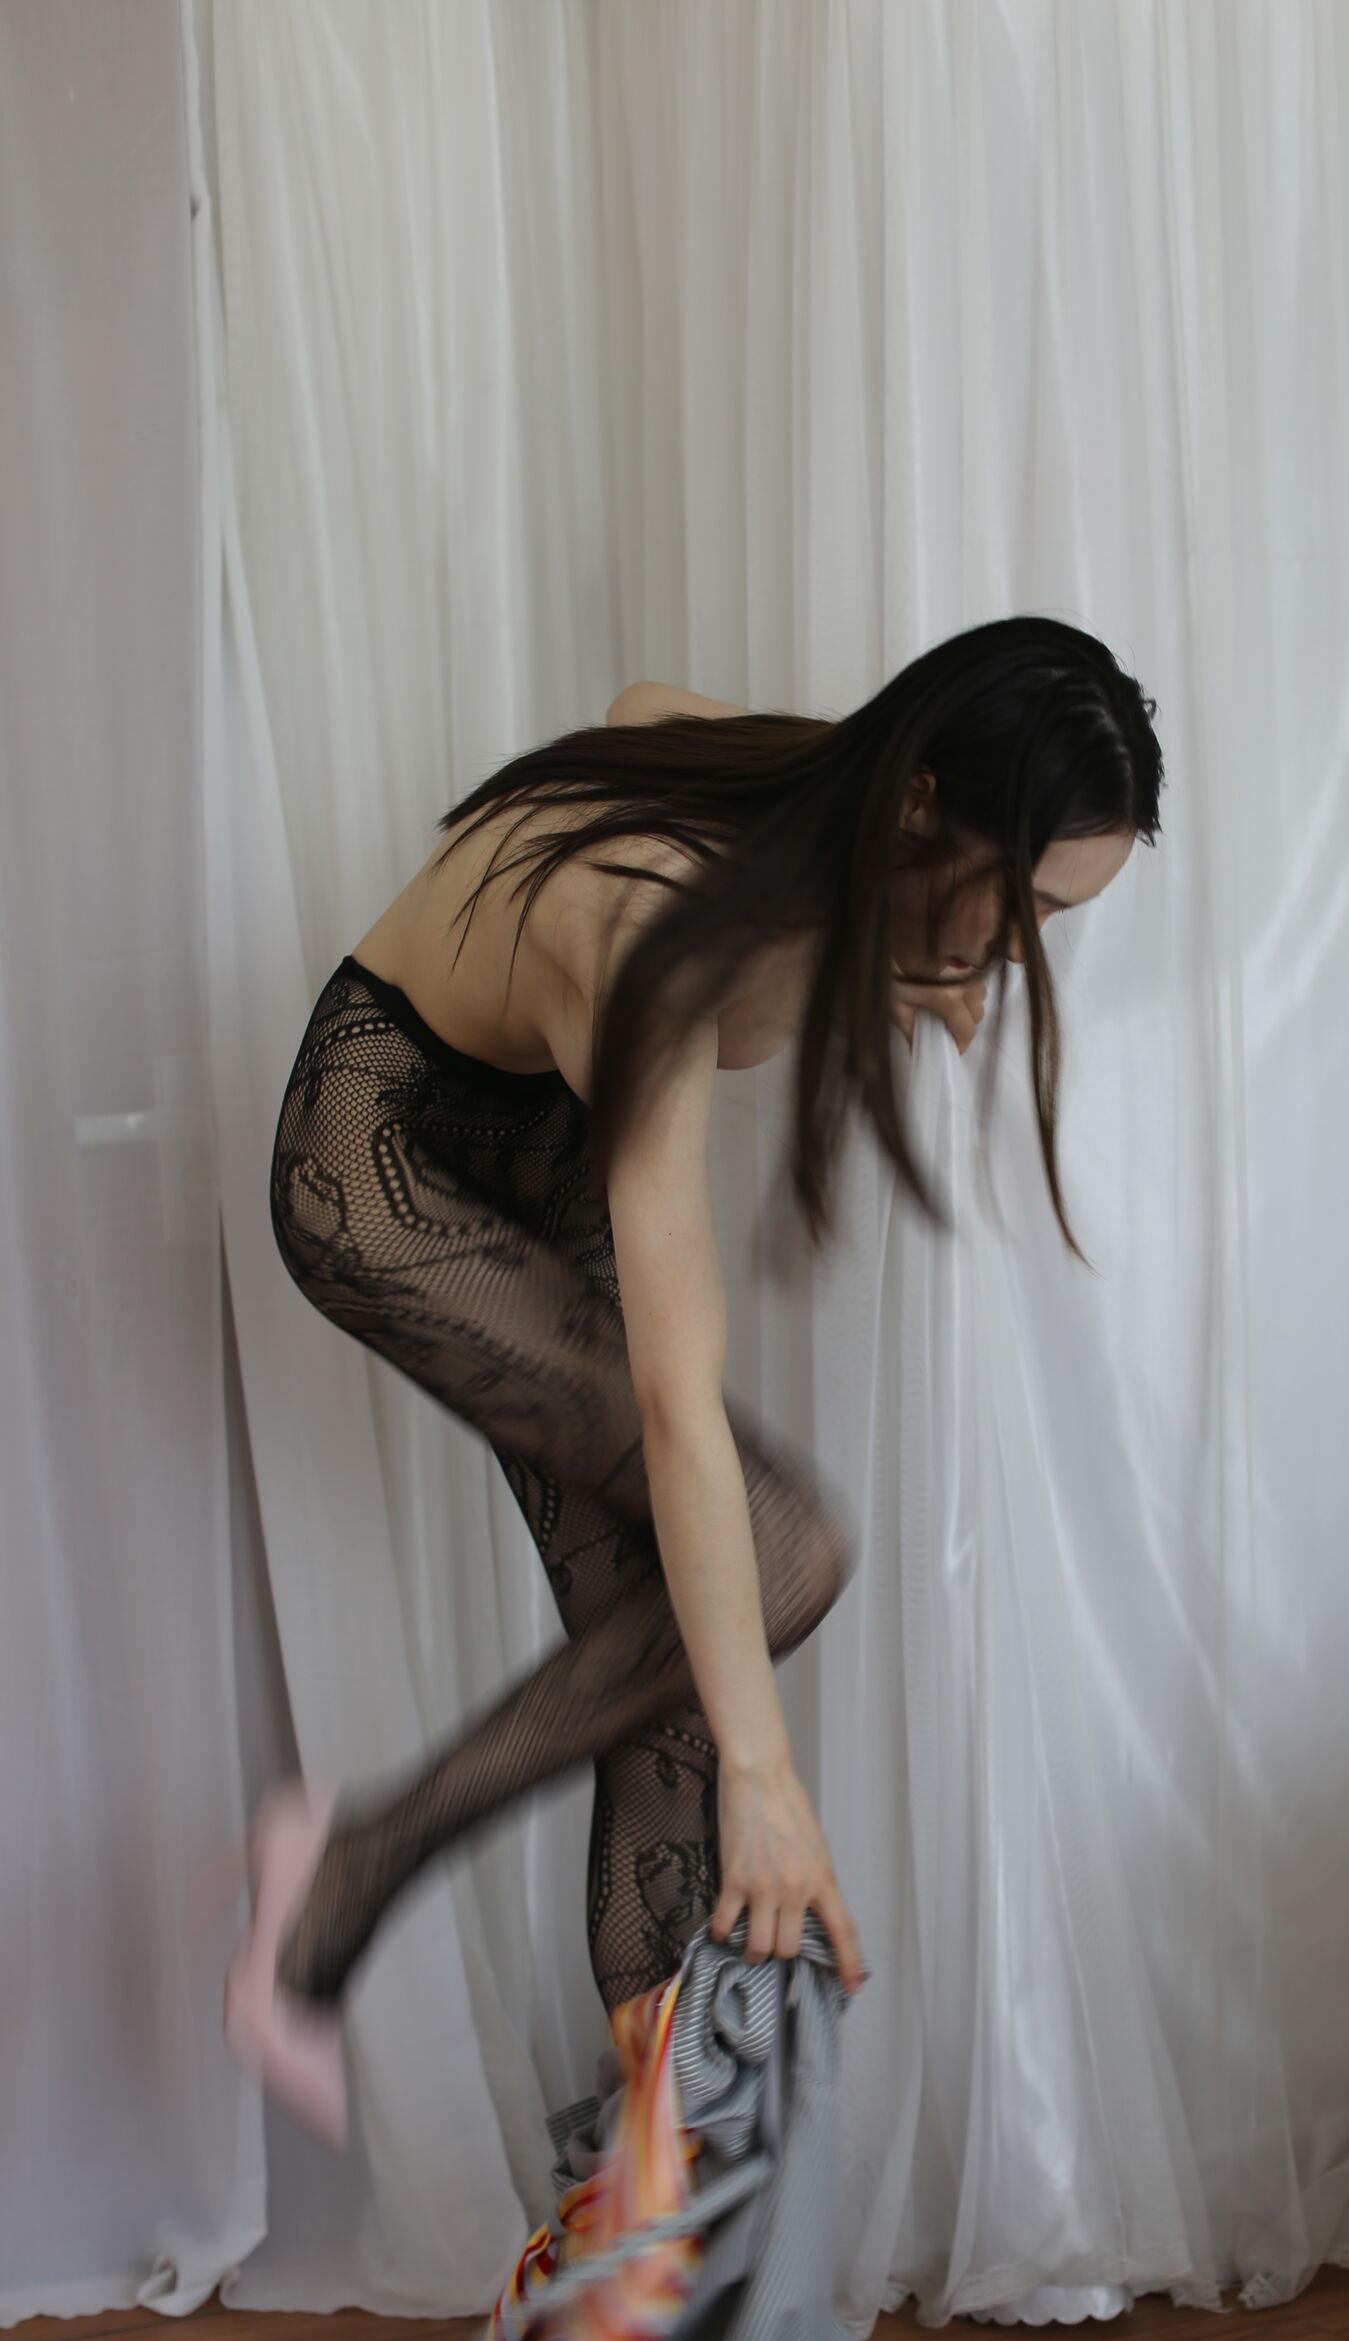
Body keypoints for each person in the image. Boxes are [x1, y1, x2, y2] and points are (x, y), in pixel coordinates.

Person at [219, 614, 1164, 2145]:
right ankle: (354, 1865)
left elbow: (642, 703)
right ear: (928, 807)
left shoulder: (821, 801)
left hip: (540, 1144)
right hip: (382, 1161)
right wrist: (763, 1771)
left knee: (668, 1648)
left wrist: (910, 962)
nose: (1021, 956)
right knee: (780, 1555)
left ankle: (651, 2196)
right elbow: (677, 1402)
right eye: (1028, 907)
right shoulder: (660, 922)